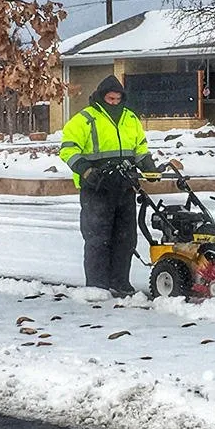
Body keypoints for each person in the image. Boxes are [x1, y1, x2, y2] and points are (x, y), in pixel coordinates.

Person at [59, 75, 158, 297]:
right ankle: (97, 287)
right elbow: (68, 148)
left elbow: (140, 147)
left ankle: (120, 282)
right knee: (98, 238)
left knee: (126, 238)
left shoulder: (130, 118)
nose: (114, 102)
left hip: (124, 186)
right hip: (97, 188)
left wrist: (148, 166)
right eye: (110, 98)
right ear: (101, 97)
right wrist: (85, 170)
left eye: (117, 98)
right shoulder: (85, 119)